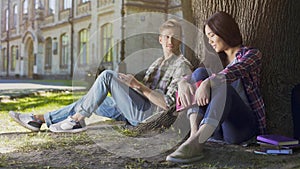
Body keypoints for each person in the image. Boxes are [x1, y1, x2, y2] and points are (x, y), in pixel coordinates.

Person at [9, 19, 193, 133]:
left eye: (175, 37)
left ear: (181, 40)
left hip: (150, 117)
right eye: (166, 37)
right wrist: (128, 84)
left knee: (106, 76)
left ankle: (76, 120)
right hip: (135, 109)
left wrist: (137, 85)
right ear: (160, 39)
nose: (170, 41)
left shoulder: (182, 65)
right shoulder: (157, 62)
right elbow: (142, 93)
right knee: (90, 99)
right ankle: (38, 120)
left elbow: (168, 106)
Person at [166, 11, 266, 163]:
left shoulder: (252, 54)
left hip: (242, 127)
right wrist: (183, 83)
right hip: (217, 130)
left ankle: (197, 141)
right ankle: (194, 137)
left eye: (212, 35)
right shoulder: (215, 61)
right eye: (208, 37)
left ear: (224, 30)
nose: (210, 41)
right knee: (200, 72)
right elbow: (193, 76)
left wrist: (208, 83)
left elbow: (234, 71)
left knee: (222, 86)